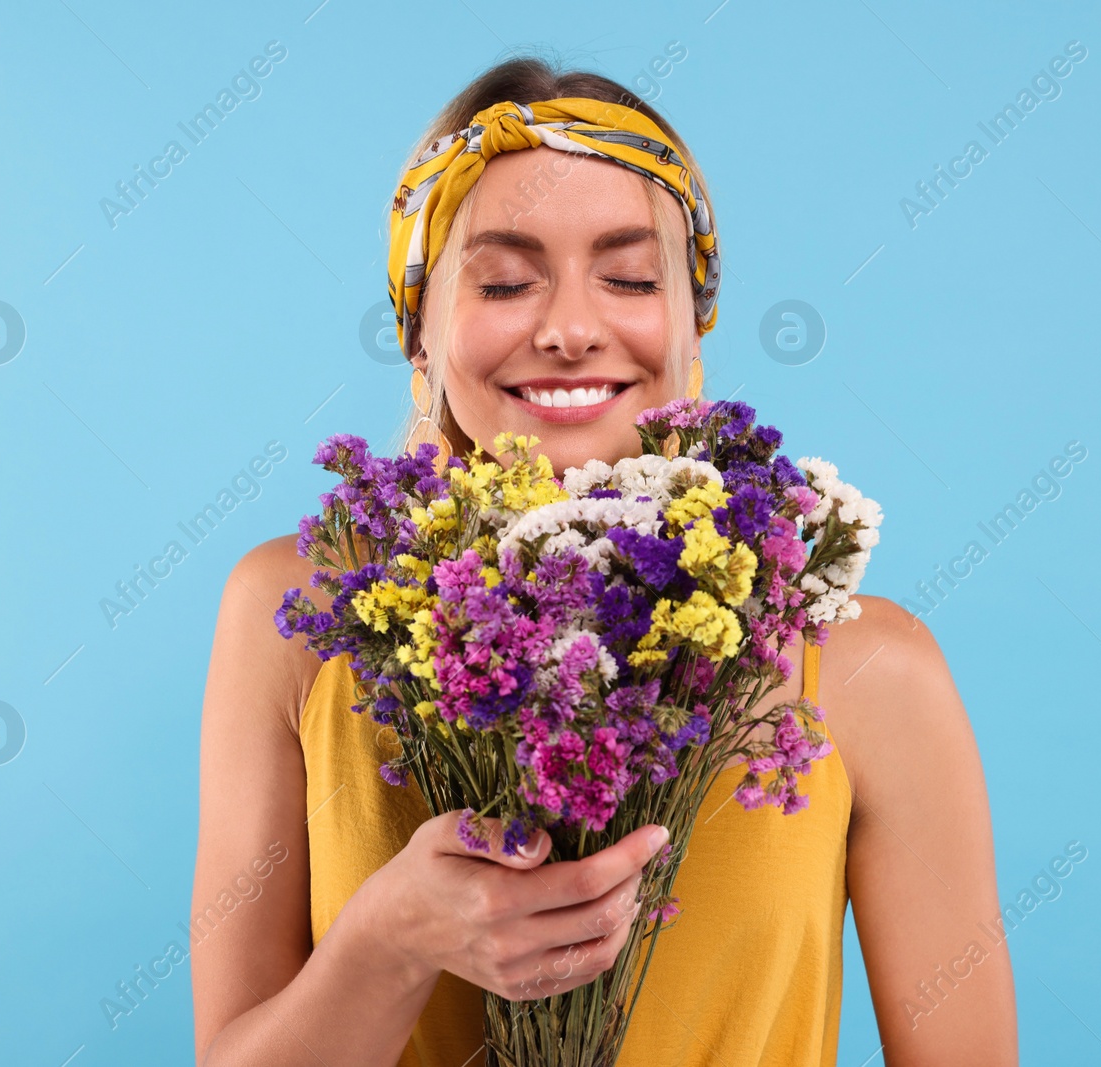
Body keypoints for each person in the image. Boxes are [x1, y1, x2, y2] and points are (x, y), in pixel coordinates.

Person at [191, 56, 1017, 1067]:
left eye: (629, 277)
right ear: (419, 328)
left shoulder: (869, 668)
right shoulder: (301, 609)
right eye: (502, 280)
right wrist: (390, 937)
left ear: (691, 322)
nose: (572, 328)